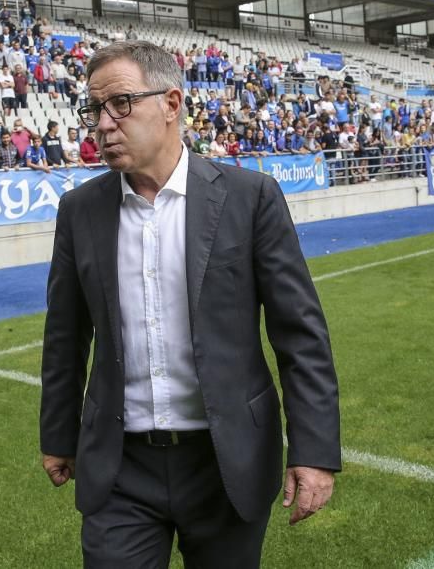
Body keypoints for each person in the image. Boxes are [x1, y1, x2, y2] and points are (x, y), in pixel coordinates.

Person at [41, 41, 340, 567]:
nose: (104, 124)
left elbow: (299, 333)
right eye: (95, 109)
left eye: (121, 104)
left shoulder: (251, 198)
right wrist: (58, 435)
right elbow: (65, 335)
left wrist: (313, 452)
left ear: (172, 104)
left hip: (226, 462)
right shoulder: (80, 210)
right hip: (120, 468)